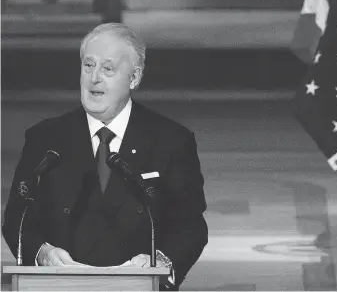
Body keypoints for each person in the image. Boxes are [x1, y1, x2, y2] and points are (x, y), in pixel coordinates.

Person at [2, 23, 208, 291]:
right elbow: (18, 216)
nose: (94, 77)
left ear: (134, 78)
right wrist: (42, 254)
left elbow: (190, 225)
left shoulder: (171, 141)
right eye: (88, 65)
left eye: (108, 69)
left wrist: (158, 264)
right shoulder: (45, 139)